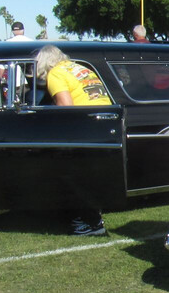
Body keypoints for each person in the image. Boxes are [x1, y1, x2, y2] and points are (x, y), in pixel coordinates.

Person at [34, 45, 112, 235]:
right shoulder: (78, 67)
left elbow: (66, 106)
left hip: (83, 124)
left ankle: (90, 222)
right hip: (104, 120)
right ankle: (92, 217)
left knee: (75, 175)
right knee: (90, 175)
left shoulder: (55, 74)